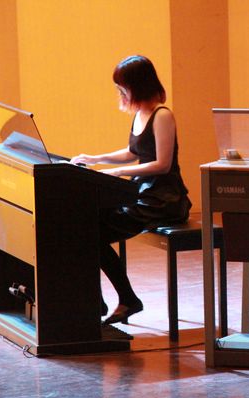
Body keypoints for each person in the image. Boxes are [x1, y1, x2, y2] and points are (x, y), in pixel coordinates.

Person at [71, 55, 191, 325]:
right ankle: (104, 300)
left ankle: (124, 300)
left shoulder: (162, 115)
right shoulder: (140, 113)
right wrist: (95, 158)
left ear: (137, 85)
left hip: (164, 198)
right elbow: (133, 152)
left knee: (92, 233)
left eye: (122, 87)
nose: (120, 93)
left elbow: (162, 164)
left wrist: (117, 172)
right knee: (88, 222)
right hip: (143, 191)